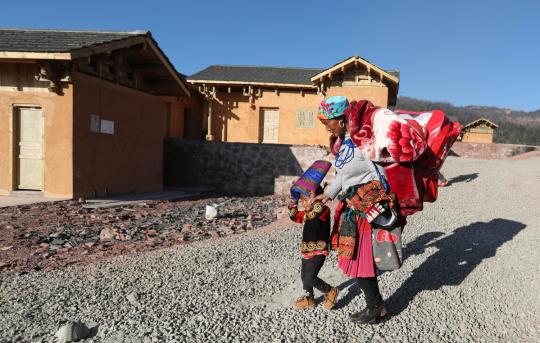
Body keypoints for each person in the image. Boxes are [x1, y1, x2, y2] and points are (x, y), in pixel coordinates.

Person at [313, 96, 425, 324]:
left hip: (367, 210)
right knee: (356, 260)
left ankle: (376, 307)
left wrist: (383, 201)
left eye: (328, 121)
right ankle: (376, 305)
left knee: (361, 261)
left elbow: (384, 171)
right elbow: (344, 176)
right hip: (352, 208)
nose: (326, 126)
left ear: (342, 119)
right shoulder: (344, 143)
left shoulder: (364, 143)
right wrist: (328, 194)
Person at [288, 161, 339, 311]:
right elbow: (294, 216)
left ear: (313, 196)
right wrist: (293, 201)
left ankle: (330, 291)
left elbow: (315, 211)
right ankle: (309, 298)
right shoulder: (307, 213)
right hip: (306, 249)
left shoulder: (322, 210)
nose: (303, 204)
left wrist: (313, 198)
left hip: (319, 249)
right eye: (302, 201)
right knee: (305, 277)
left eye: (304, 200)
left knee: (311, 277)